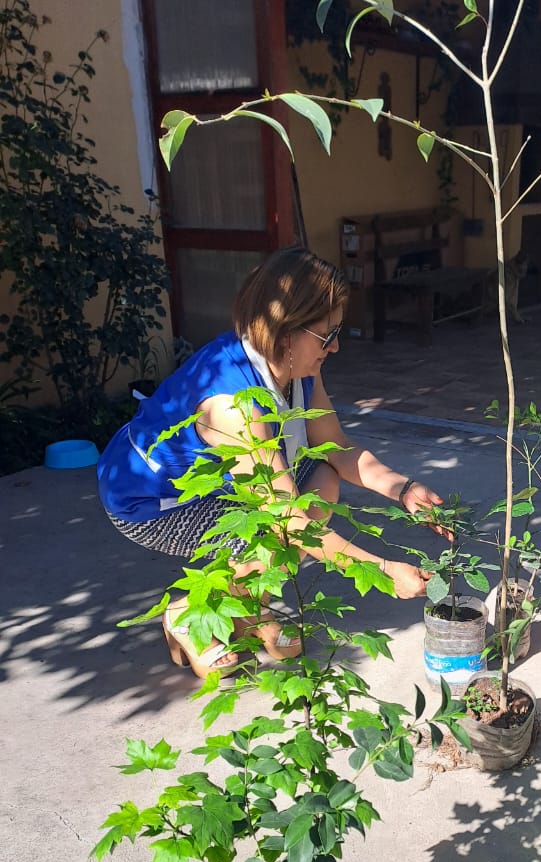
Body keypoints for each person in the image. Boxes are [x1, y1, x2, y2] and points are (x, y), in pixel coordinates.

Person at [97, 246, 445, 678]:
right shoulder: (235, 407)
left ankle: (247, 607)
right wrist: (382, 571)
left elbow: (334, 446)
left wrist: (404, 488)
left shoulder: (299, 367)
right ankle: (190, 611)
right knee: (282, 521)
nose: (335, 348)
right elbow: (288, 521)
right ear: (285, 331)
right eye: (327, 336)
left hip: (215, 482)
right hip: (151, 502)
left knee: (321, 478)